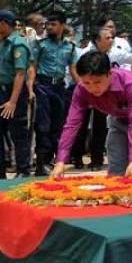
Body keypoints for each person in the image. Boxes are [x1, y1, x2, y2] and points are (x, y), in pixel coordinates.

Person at [52, 51, 132, 178]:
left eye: (97, 82)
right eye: (87, 83)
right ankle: (118, 196)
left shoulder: (130, 83)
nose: (93, 88)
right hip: (118, 118)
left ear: (109, 73)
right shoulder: (81, 89)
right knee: (116, 166)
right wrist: (60, 161)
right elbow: (72, 124)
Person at [31, 11, 79, 176]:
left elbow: (73, 71)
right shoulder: (41, 44)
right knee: (43, 125)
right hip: (43, 85)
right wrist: (30, 88)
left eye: (53, 24)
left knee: (57, 126)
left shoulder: (70, 47)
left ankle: (52, 160)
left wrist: (83, 89)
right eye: (48, 24)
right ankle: (41, 162)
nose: (49, 27)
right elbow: (33, 67)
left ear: (62, 26)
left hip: (59, 87)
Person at [0, 10, 32, 179]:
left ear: (4, 23)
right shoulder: (5, 42)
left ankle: (23, 170)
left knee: (18, 133)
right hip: (1, 91)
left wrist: (13, 102)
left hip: (15, 94)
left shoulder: (18, 44)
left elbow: (20, 74)